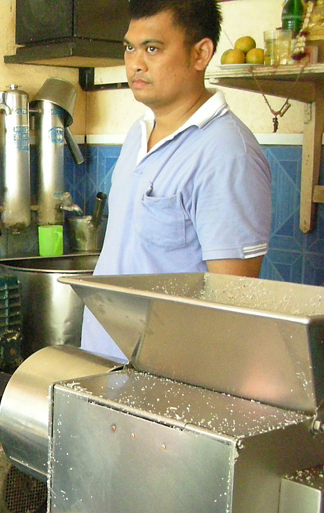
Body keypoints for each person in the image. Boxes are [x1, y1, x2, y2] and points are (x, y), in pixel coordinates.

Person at [79, 0, 272, 361]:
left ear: (201, 54)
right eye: (130, 48)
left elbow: (235, 301)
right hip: (105, 361)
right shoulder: (138, 135)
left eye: (153, 48)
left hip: (167, 377)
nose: (136, 62)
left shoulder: (226, 152)